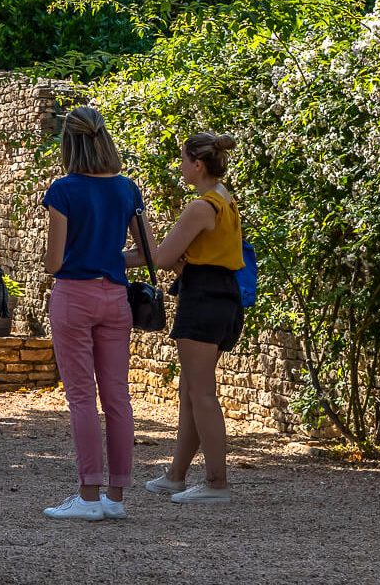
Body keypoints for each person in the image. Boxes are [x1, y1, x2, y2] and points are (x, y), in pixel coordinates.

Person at [40, 105, 153, 522]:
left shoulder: (63, 190)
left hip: (74, 295)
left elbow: (54, 262)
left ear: (69, 142)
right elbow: (147, 254)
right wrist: (110, 256)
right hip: (116, 298)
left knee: (81, 397)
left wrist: (80, 254)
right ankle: (116, 496)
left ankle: (87, 496)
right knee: (118, 397)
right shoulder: (127, 189)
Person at [134, 132, 245, 506]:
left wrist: (110, 257)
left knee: (201, 394)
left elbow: (162, 258)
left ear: (198, 165)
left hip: (203, 298)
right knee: (190, 392)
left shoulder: (201, 206)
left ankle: (216, 483)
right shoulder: (225, 199)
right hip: (222, 295)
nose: (180, 166)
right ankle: (176, 476)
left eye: (183, 160)